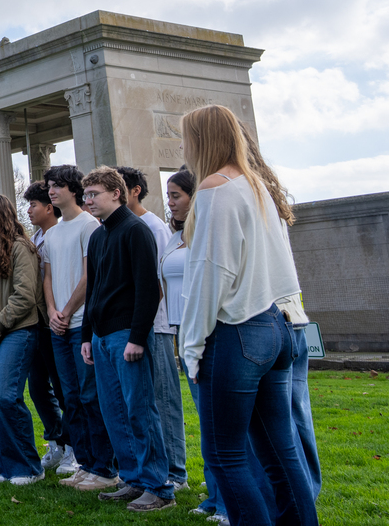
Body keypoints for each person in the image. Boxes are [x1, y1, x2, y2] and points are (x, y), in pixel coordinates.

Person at [180, 105, 317, 526]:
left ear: (201, 140)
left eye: (186, 137)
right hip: (276, 326)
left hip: (237, 331)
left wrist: (191, 344)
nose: (183, 146)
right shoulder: (257, 186)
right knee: (281, 452)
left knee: (225, 456)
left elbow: (211, 273)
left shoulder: (216, 189)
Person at [80, 166, 174, 512]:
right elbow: (94, 290)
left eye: (94, 194)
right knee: (115, 412)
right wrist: (88, 335)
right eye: (86, 194)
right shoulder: (98, 236)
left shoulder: (136, 231)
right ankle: (133, 479)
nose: (88, 200)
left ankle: (159, 488)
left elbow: (150, 289)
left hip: (127, 337)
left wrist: (137, 337)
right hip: (102, 338)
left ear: (117, 193)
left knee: (140, 410)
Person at [244, 133, 322, 510]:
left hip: (269, 319)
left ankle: (294, 500)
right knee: (291, 420)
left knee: (280, 427)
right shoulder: (265, 193)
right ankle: (301, 498)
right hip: (290, 318)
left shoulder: (242, 193)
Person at [42, 163, 116, 491]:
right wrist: (52, 311)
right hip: (57, 325)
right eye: (49, 186)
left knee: (90, 396)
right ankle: (85, 465)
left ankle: (104, 468)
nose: (51, 191)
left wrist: (68, 310)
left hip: (81, 324)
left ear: (73, 189)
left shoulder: (90, 226)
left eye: (57, 185)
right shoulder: (52, 232)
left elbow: (90, 275)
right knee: (69, 397)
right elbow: (47, 276)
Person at [119, 165, 188, 493]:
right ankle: (151, 468)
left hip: (157, 325)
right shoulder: (123, 226)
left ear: (134, 191)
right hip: (136, 326)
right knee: (143, 402)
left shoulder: (152, 226)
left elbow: (158, 280)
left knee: (164, 399)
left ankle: (176, 471)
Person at [163, 170, 225, 522]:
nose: (169, 202)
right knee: (205, 417)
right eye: (168, 195)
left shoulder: (206, 233)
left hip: (209, 329)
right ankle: (215, 493)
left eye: (176, 196)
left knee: (217, 418)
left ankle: (227, 499)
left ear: (195, 197)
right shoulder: (175, 237)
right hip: (182, 331)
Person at [0, 193, 44, 485]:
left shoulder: (21, 249)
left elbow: (24, 295)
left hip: (18, 330)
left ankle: (29, 467)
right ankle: (9, 464)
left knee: (5, 396)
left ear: (2, 215)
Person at [20, 181, 70, 473]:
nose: (29, 211)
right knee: (38, 386)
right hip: (35, 322)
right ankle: (56, 441)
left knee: (64, 388)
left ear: (49, 208)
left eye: (33, 205)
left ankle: (73, 446)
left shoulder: (60, 236)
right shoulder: (34, 238)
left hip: (58, 321)